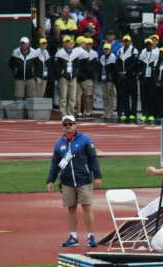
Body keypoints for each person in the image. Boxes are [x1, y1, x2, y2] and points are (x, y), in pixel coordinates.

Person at [47, 115, 102, 247]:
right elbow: (55, 164)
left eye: (70, 124)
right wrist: (50, 180)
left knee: (87, 207)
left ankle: (91, 236)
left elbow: (93, 158)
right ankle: (73, 237)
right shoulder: (59, 144)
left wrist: (97, 176)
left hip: (84, 179)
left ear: (75, 125)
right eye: (65, 125)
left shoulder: (85, 140)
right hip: (67, 182)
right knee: (71, 209)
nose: (68, 127)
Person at [54, 35, 80, 116]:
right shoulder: (59, 53)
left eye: (69, 42)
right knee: (63, 97)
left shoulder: (75, 53)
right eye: (66, 42)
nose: (68, 44)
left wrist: (75, 73)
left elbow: (77, 65)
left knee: (72, 97)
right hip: (63, 78)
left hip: (73, 77)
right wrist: (61, 73)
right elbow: (56, 66)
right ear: (63, 43)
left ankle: (71, 113)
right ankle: (63, 114)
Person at [116, 34, 139, 122]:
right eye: (124, 41)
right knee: (124, 95)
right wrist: (120, 72)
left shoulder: (134, 50)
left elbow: (135, 63)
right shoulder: (120, 50)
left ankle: (133, 113)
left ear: (130, 42)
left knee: (133, 96)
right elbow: (117, 63)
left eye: (127, 41)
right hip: (122, 77)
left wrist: (127, 71)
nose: (126, 43)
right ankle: (126, 113)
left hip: (131, 76)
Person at [98, 43, 117, 120]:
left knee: (110, 96)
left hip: (110, 80)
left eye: (107, 49)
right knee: (104, 96)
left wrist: (112, 79)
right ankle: (105, 111)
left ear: (110, 50)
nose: (106, 50)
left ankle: (110, 112)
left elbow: (114, 70)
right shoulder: (102, 57)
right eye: (105, 49)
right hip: (104, 78)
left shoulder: (113, 57)